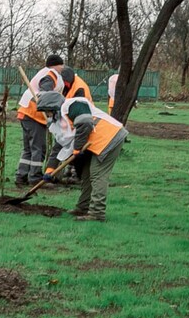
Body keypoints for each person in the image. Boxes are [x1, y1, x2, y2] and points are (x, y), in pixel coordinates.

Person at [36, 90, 128, 222]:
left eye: (47, 111)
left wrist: (77, 148)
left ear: (53, 106)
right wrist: (50, 170)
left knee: (97, 174)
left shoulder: (74, 105)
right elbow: (58, 146)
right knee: (86, 175)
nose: (47, 115)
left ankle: (97, 213)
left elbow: (85, 122)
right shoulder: (61, 121)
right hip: (95, 143)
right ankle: (83, 207)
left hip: (110, 137)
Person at [14, 54, 65, 187]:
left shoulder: (45, 73)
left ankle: (21, 176)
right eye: (61, 65)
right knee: (39, 148)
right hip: (34, 114)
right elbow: (46, 94)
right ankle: (35, 177)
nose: (62, 68)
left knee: (28, 149)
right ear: (56, 65)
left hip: (26, 112)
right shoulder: (50, 75)